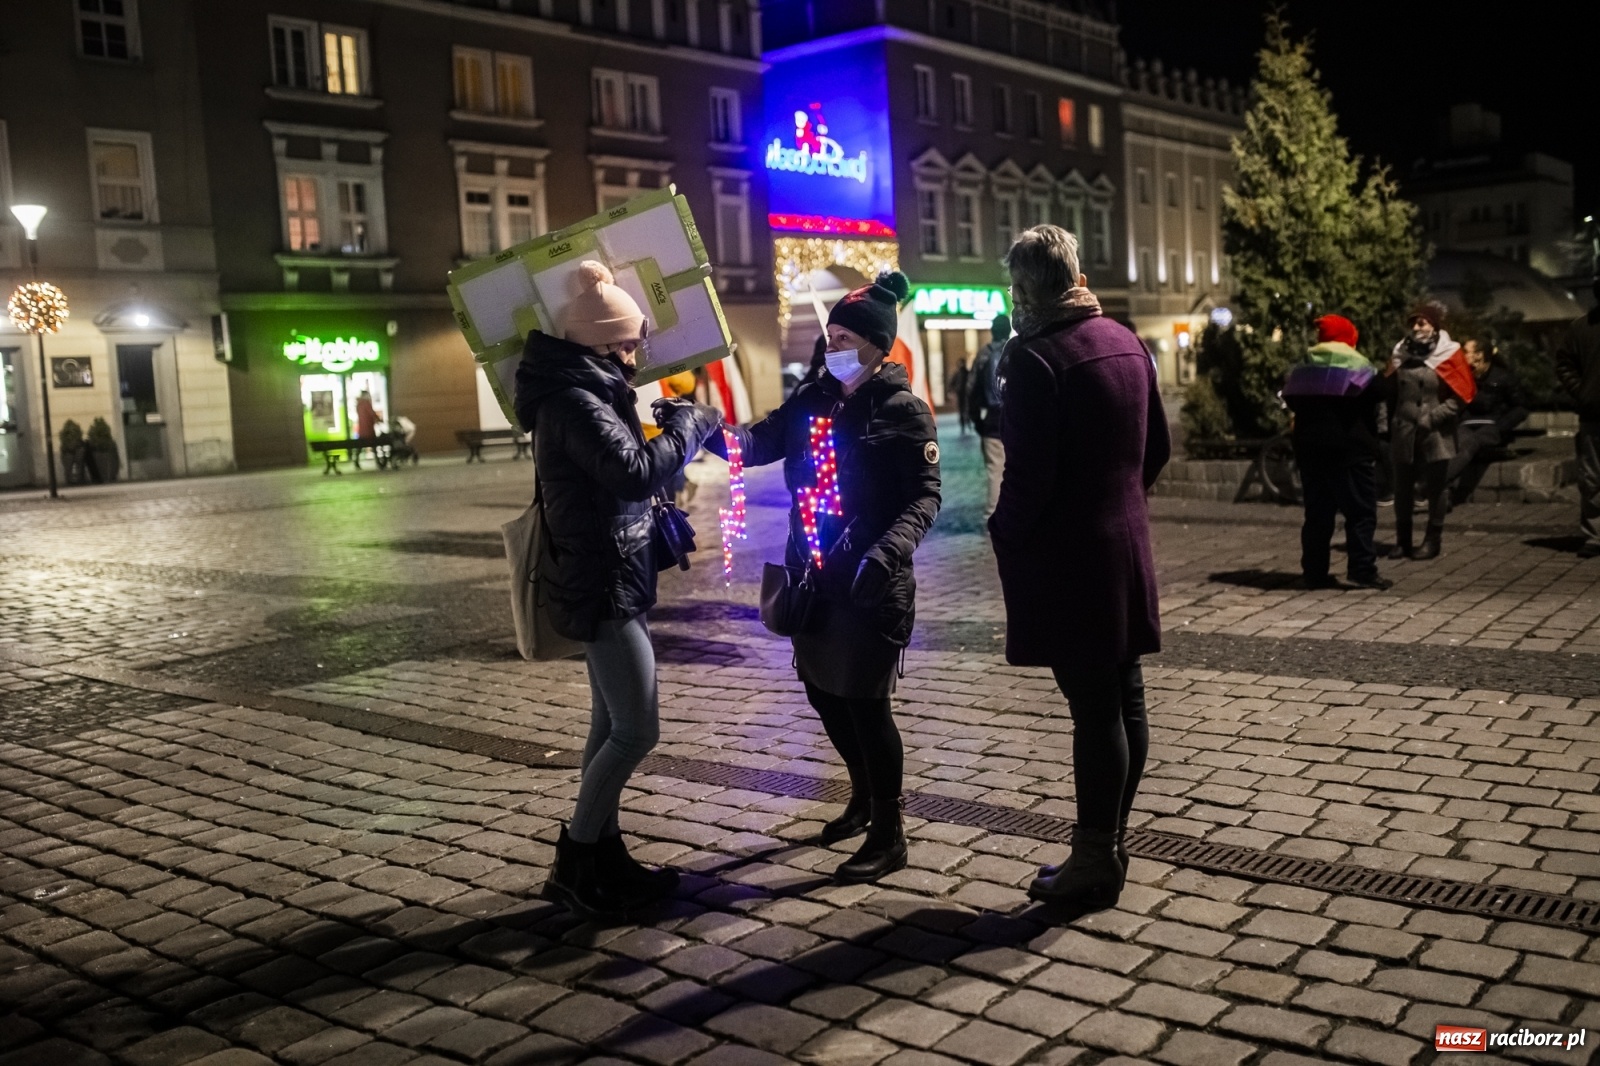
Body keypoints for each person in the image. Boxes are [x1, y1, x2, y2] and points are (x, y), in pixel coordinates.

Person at [711, 271, 940, 883]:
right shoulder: (812, 398)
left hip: (871, 582)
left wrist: (886, 553)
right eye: (830, 333)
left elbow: (924, 498)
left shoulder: (903, 409)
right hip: (812, 577)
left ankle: (890, 832)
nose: (832, 345)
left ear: (876, 345)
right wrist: (701, 429)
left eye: (845, 336)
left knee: (867, 705)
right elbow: (758, 443)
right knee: (822, 693)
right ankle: (863, 797)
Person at [514, 260, 723, 916]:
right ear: (603, 344)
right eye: (629, 343)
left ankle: (605, 854)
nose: (638, 354)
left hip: (609, 573)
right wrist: (689, 426)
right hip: (600, 580)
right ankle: (576, 859)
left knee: (609, 725)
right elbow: (632, 474)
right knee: (637, 730)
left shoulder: (588, 391)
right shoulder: (575, 399)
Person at [986, 226, 1168, 911]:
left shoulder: (1037, 359)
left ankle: (1096, 857)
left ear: (1027, 287)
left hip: (1071, 558)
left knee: (1094, 710)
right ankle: (1111, 840)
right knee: (1126, 699)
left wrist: (1004, 530)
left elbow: (1029, 478)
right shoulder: (1125, 341)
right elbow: (1158, 449)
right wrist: (1120, 500)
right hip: (1125, 544)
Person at [1282, 315, 1391, 590]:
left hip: (1311, 451)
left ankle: (1314, 573)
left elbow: (1291, 398)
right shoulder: (1356, 364)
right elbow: (1380, 391)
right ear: (1349, 337)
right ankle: (1362, 569)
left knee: (1318, 515)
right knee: (1361, 513)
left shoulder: (1305, 365)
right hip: (1350, 452)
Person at [1382, 301, 1475, 561]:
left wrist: (1433, 417)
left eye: (1421, 322)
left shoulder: (1449, 353)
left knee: (1436, 487)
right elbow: (1388, 390)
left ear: (1434, 325)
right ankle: (1403, 541)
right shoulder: (1401, 352)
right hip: (1404, 430)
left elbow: (1460, 396)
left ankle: (1432, 540)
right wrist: (1387, 422)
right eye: (1413, 322)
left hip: (1435, 431)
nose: (1416, 327)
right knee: (1402, 488)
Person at [1446, 338, 1527, 505]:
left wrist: (1502, 427)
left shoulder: (1503, 377)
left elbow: (1521, 407)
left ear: (1479, 355)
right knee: (1456, 444)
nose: (1462, 355)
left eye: (1466, 351)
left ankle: (1437, 484)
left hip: (1493, 426)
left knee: (1471, 443)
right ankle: (1444, 494)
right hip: (1468, 424)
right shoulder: (1465, 377)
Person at [1554, 282, 1600, 558]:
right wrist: (1583, 393)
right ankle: (1596, 535)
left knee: (1592, 476)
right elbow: (1564, 364)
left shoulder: (1581, 327)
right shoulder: (1582, 328)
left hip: (1591, 411)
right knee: (1592, 478)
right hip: (1593, 414)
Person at [967, 312, 1012, 519]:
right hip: (1016, 419)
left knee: (995, 470)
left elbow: (972, 388)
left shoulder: (984, 354)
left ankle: (993, 513)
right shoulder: (1017, 351)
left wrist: (976, 419)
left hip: (992, 420)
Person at [947, 356, 970, 435]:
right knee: (963, 410)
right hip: (961, 394)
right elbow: (952, 383)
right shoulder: (960, 374)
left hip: (965, 394)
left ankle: (966, 422)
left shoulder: (966, 373)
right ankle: (964, 424)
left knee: (965, 409)